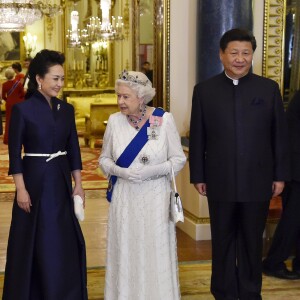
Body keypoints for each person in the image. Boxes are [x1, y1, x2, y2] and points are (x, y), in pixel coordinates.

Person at [189, 28, 290, 299]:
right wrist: (198, 173)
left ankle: (249, 291)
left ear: (252, 55)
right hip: (219, 181)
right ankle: (222, 291)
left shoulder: (268, 89)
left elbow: (278, 136)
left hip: (258, 181)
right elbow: (198, 137)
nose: (240, 58)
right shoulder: (205, 91)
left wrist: (280, 175)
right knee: (222, 240)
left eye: (246, 53)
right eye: (234, 52)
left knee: (250, 242)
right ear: (222, 55)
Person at [2, 49, 88, 300]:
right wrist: (21, 188)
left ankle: (65, 290)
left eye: (62, 79)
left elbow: (73, 148)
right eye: (55, 79)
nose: (60, 84)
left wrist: (79, 184)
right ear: (39, 78)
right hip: (34, 180)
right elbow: (15, 153)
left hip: (60, 180)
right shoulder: (22, 110)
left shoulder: (67, 109)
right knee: (36, 238)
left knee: (62, 238)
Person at [99, 70, 186, 299]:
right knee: (126, 248)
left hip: (155, 197)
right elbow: (103, 160)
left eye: (126, 97)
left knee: (154, 249)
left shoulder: (163, 119)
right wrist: (121, 171)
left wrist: (152, 171)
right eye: (118, 96)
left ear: (142, 97)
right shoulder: (115, 122)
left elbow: (178, 159)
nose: (120, 101)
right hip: (124, 197)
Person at [262, 90, 300, 280]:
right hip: (296, 171)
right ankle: (273, 263)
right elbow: (292, 137)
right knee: (292, 222)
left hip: (294, 168)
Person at [2, 67, 25, 144]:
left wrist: (8, 100)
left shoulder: (4, 85)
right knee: (19, 121)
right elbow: (23, 94)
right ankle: (19, 139)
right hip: (18, 104)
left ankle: (7, 139)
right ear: (13, 74)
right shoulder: (18, 83)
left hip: (9, 104)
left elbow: (3, 97)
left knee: (8, 121)